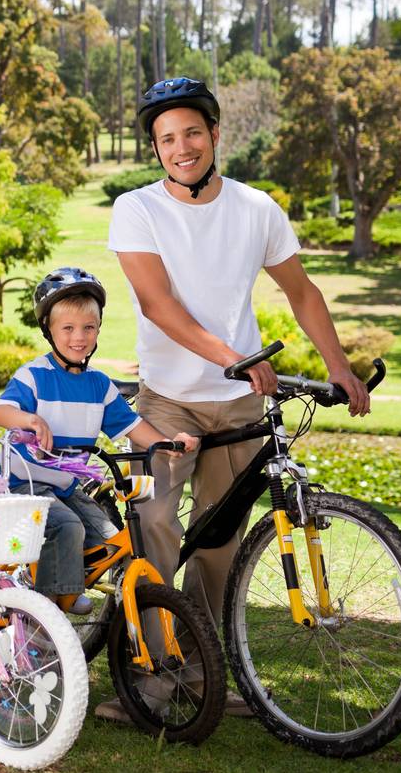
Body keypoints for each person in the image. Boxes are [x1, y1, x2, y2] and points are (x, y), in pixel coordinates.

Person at [105, 76, 371, 721]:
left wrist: (340, 366)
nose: (181, 147)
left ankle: (205, 675)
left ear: (215, 134)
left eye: (192, 132)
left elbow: (301, 292)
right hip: (166, 400)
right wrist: (235, 358)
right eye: (166, 138)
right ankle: (147, 676)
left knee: (220, 548)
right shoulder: (136, 209)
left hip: (240, 409)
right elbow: (157, 306)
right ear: (155, 148)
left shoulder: (257, 209)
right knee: (158, 530)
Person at [0, 267, 197, 615]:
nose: (78, 337)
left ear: (99, 329)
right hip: (26, 482)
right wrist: (30, 419)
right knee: (68, 526)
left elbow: (132, 426)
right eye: (67, 328)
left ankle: (60, 582)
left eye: (88, 328)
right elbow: (1, 411)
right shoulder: (34, 375)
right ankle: (48, 609)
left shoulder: (99, 385)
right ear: (49, 330)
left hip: (67, 487)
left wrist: (168, 443)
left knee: (111, 540)